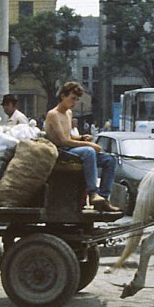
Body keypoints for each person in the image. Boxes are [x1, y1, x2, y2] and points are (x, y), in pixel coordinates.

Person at [44, 81, 119, 213]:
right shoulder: (53, 114)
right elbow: (63, 141)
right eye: (72, 98)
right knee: (89, 151)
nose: (75, 102)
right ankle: (92, 192)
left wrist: (82, 138)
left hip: (71, 149)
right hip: (61, 151)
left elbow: (70, 137)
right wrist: (88, 144)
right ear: (63, 96)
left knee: (110, 160)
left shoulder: (68, 113)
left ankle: (103, 198)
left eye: (77, 100)